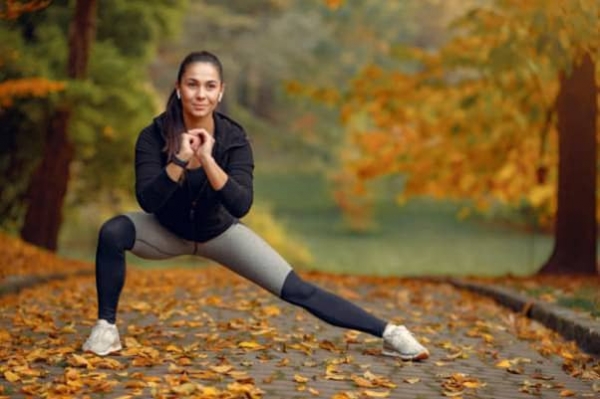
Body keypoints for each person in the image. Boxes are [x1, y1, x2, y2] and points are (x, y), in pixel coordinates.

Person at [82, 51, 429, 361]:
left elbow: (241, 203)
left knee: (297, 289)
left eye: (209, 86)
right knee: (113, 231)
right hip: (166, 232)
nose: (200, 94)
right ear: (178, 88)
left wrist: (206, 159)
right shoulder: (154, 135)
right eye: (192, 85)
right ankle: (106, 328)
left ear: (221, 92)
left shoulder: (233, 139)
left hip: (220, 232)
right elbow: (147, 200)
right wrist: (180, 159)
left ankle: (390, 333)